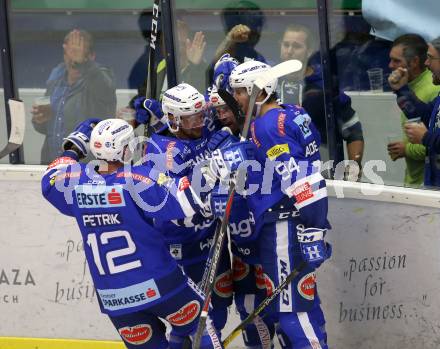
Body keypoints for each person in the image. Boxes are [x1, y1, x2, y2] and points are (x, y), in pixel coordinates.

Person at [41, 117, 252, 348]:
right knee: (200, 326)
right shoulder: (138, 179)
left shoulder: (75, 181)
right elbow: (187, 201)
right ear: (125, 150)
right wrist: (215, 168)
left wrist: (73, 147)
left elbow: (49, 179)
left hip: (114, 297)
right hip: (160, 284)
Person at [229, 60, 332, 349]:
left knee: (292, 313)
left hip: (285, 227)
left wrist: (314, 228)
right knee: (302, 303)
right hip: (296, 220)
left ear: (259, 92)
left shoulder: (267, 126)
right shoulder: (293, 113)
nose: (235, 98)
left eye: (239, 91)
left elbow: (300, 180)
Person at [134, 83, 234, 340]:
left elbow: (220, 112)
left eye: (201, 116)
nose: (200, 123)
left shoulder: (198, 122)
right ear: (175, 121)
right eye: (191, 120)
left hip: (212, 239)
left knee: (219, 309)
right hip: (182, 245)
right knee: (192, 319)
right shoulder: (164, 154)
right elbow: (179, 206)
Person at [277, 24, 364, 178]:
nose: (289, 51)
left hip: (323, 176)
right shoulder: (269, 84)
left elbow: (354, 131)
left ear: (309, 51)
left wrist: (353, 169)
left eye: (296, 46)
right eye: (286, 45)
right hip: (281, 178)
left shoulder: (325, 86)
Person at [32, 29, 117, 164]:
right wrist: (40, 120)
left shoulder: (101, 77)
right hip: (53, 165)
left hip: (86, 169)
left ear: (91, 57)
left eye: (78, 53)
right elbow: (47, 128)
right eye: (69, 52)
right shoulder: (56, 78)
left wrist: (82, 63)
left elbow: (106, 89)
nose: (72, 58)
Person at [386, 34, 440, 187]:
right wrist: (401, 90)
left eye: (431, 58)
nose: (427, 63)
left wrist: (424, 138)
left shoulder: (432, 89)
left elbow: (428, 136)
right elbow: (424, 115)